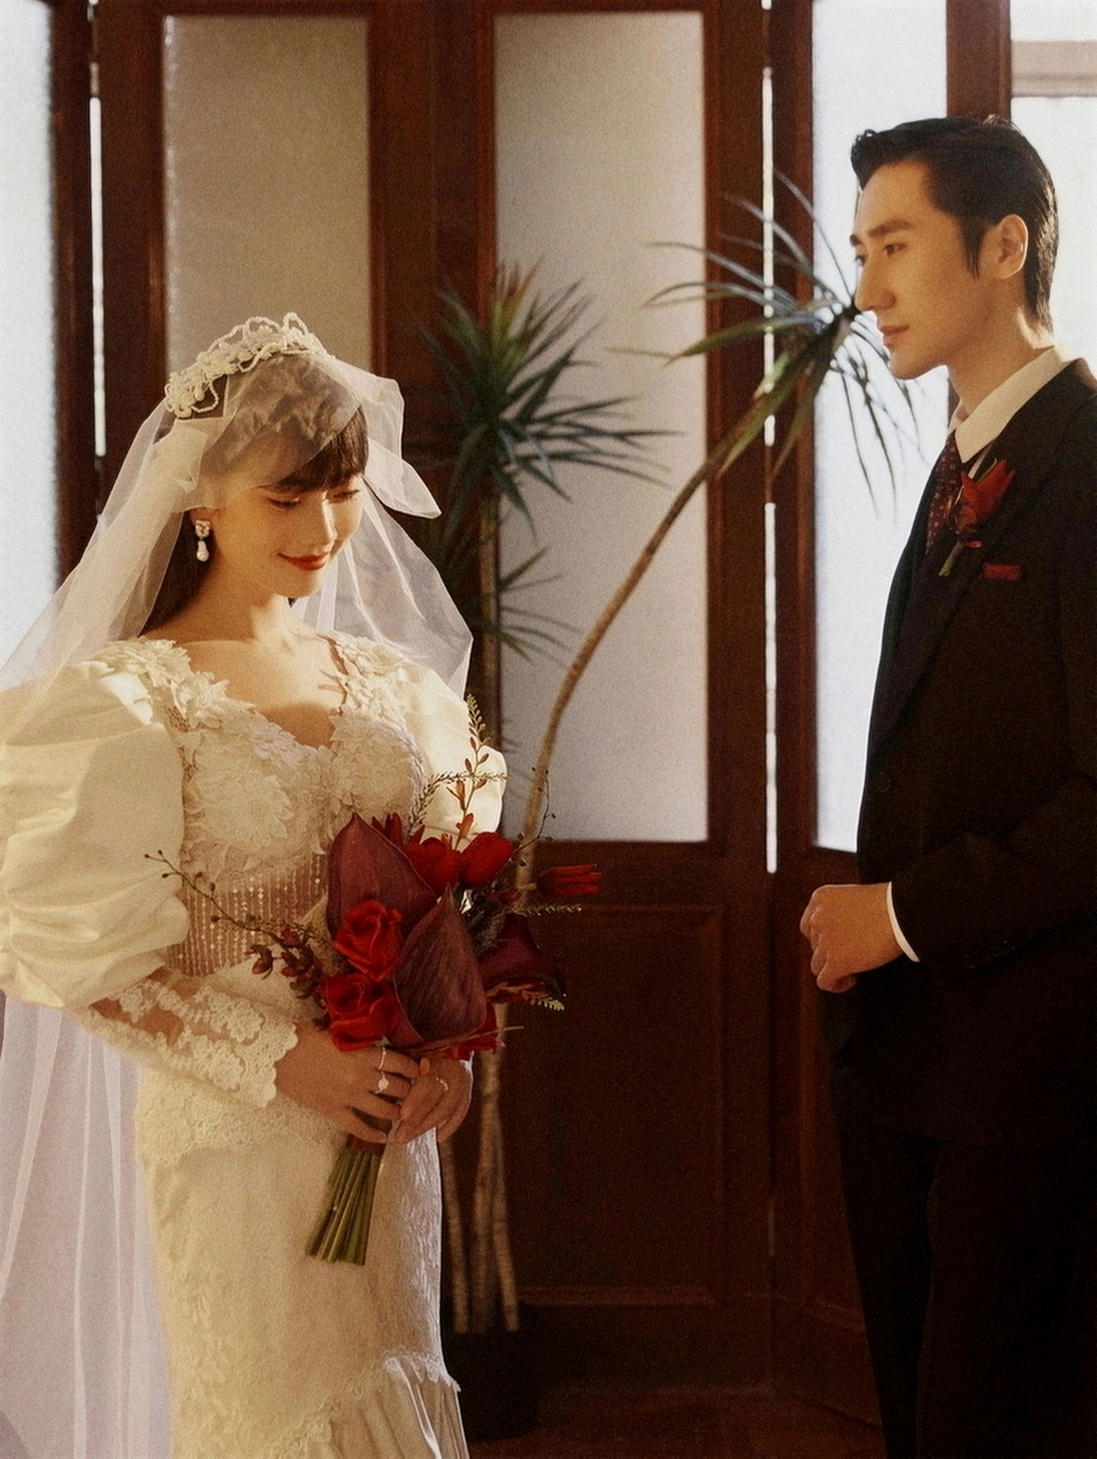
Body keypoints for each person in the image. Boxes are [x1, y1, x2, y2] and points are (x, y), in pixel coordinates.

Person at [0, 314, 504, 1458]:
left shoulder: (396, 688)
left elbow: (447, 910)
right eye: (287, 497)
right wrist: (287, 1060)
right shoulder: (124, 702)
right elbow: (94, 971)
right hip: (238, 1144)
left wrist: (449, 1053)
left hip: (388, 1146)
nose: (323, 528)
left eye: (343, 491)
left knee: (395, 1391)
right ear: (197, 494)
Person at [800, 118, 1095, 1458]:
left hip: (1032, 1074)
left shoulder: (1084, 463)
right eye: (861, 252)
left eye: (895, 246)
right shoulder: (959, 462)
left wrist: (899, 913)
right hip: (915, 1055)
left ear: (1003, 245)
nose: (866, 289)